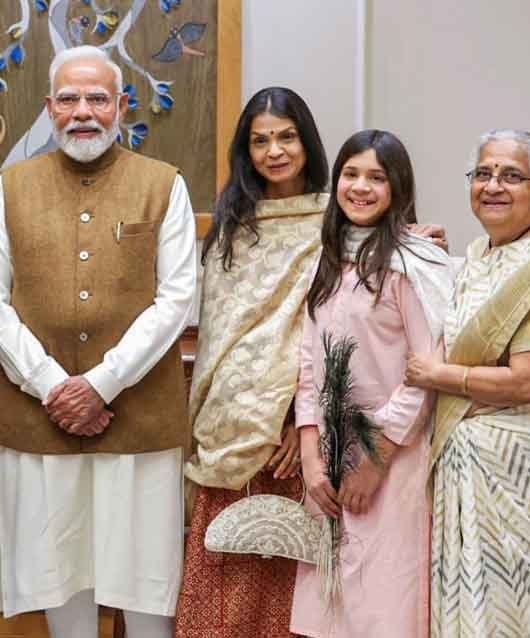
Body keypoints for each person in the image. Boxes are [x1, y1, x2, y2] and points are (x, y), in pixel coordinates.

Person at [0, 45, 197, 638]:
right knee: (60, 580)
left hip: (139, 420)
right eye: (69, 99)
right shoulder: (11, 187)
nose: (83, 112)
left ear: (121, 105)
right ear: (50, 107)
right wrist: (55, 387)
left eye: (97, 98)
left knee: (145, 583)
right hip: (39, 418)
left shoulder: (164, 184)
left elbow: (176, 299)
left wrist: (101, 384)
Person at [406, 129, 530, 637]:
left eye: (512, 176)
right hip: (468, 469)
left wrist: (439, 375)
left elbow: (529, 379)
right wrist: (434, 253)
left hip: (515, 478)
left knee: (516, 616)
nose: (493, 185)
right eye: (483, 173)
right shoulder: (483, 252)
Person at [174, 87, 330, 638]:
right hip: (226, 428)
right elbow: (219, 332)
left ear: (307, 143)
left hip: (291, 437)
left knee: (287, 592)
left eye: (286, 137)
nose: (274, 151)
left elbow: (336, 331)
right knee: (221, 591)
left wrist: (302, 422)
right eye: (260, 141)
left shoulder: (333, 224)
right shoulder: (231, 225)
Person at [290, 130, 454, 638]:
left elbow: (426, 374)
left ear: (397, 188)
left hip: (393, 463)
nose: (360, 187)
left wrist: (373, 462)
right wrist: (311, 458)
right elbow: (309, 365)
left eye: (376, 177)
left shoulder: (414, 263)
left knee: (383, 613)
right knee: (330, 614)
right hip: (330, 466)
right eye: (351, 174)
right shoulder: (326, 260)